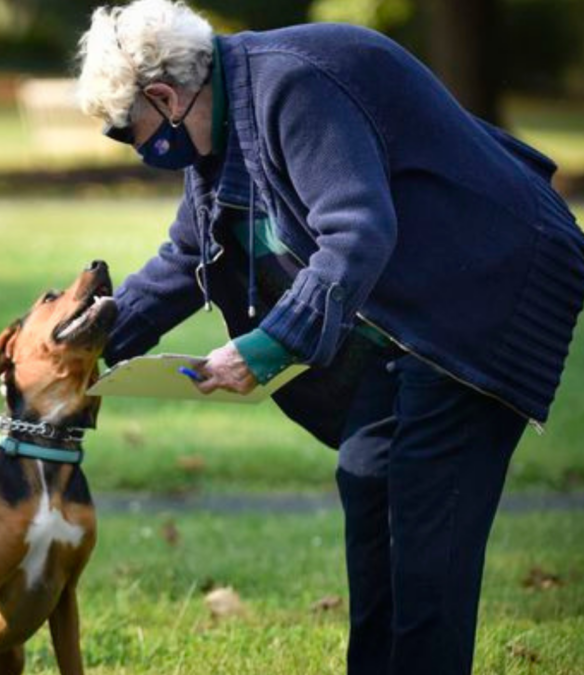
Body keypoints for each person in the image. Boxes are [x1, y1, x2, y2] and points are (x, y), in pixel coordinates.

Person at [75, 2, 584, 674]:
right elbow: (189, 255)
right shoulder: (222, 122)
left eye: (129, 132)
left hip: (487, 287)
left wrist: (266, 346)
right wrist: (86, 342)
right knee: (367, 475)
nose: (139, 149)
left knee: (425, 528)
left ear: (164, 96)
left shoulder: (291, 87)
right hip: (407, 306)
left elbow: (356, 232)